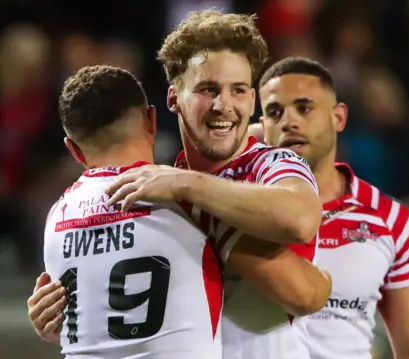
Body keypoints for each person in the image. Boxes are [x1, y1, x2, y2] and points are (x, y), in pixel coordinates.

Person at [28, 11, 331, 359]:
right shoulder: (161, 190)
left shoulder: (271, 164)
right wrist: (69, 313)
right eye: (207, 89)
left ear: (252, 100)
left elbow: (302, 224)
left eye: (238, 90)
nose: (223, 105)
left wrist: (189, 188)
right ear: (172, 100)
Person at [253, 57, 409, 359]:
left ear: (338, 117)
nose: (289, 121)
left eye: (304, 108)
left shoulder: (391, 220)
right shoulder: (239, 207)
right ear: (262, 127)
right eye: (275, 112)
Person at [31, 65, 224, 358]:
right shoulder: (192, 197)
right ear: (152, 119)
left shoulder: (56, 217)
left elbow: (73, 324)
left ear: (74, 150)